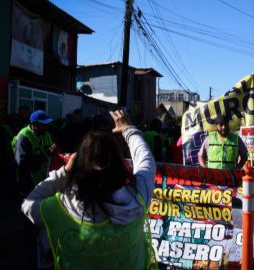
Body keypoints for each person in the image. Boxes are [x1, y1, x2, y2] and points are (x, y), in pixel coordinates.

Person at [21, 109, 155, 269]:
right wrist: (129, 130)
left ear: (80, 166)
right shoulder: (138, 199)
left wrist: (65, 172)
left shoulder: (61, 208)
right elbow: (146, 160)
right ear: (119, 164)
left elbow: (28, 204)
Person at [12, 110, 56, 196]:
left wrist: (54, 150)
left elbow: (49, 151)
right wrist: (46, 154)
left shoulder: (46, 134)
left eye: (47, 124)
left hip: (42, 178)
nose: (46, 127)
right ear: (33, 125)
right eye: (43, 125)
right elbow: (23, 165)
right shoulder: (23, 137)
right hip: (27, 181)